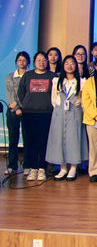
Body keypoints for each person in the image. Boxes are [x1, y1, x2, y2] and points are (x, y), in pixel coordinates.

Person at [45, 55, 88, 181]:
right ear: (63, 66)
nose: (70, 66)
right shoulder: (56, 81)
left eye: (72, 63)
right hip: (59, 113)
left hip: (75, 112)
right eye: (67, 63)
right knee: (59, 139)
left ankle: (73, 168)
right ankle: (62, 168)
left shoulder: (82, 82)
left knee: (74, 139)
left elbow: (84, 101)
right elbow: (54, 99)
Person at [18, 52, 56, 181]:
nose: (41, 62)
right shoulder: (27, 75)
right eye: (39, 60)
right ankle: (33, 168)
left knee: (43, 141)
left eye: (44, 60)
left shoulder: (52, 76)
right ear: (34, 62)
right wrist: (26, 105)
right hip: (28, 113)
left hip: (46, 113)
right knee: (31, 141)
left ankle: (42, 168)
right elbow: (21, 93)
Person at [4, 52, 30, 175]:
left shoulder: (30, 76)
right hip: (13, 110)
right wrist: (16, 108)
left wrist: (19, 106)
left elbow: (28, 93)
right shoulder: (10, 76)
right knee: (13, 139)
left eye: (24, 60)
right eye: (19, 60)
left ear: (28, 62)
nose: (22, 62)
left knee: (27, 139)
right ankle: (12, 166)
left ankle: (27, 165)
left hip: (27, 110)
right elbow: (9, 94)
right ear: (16, 61)